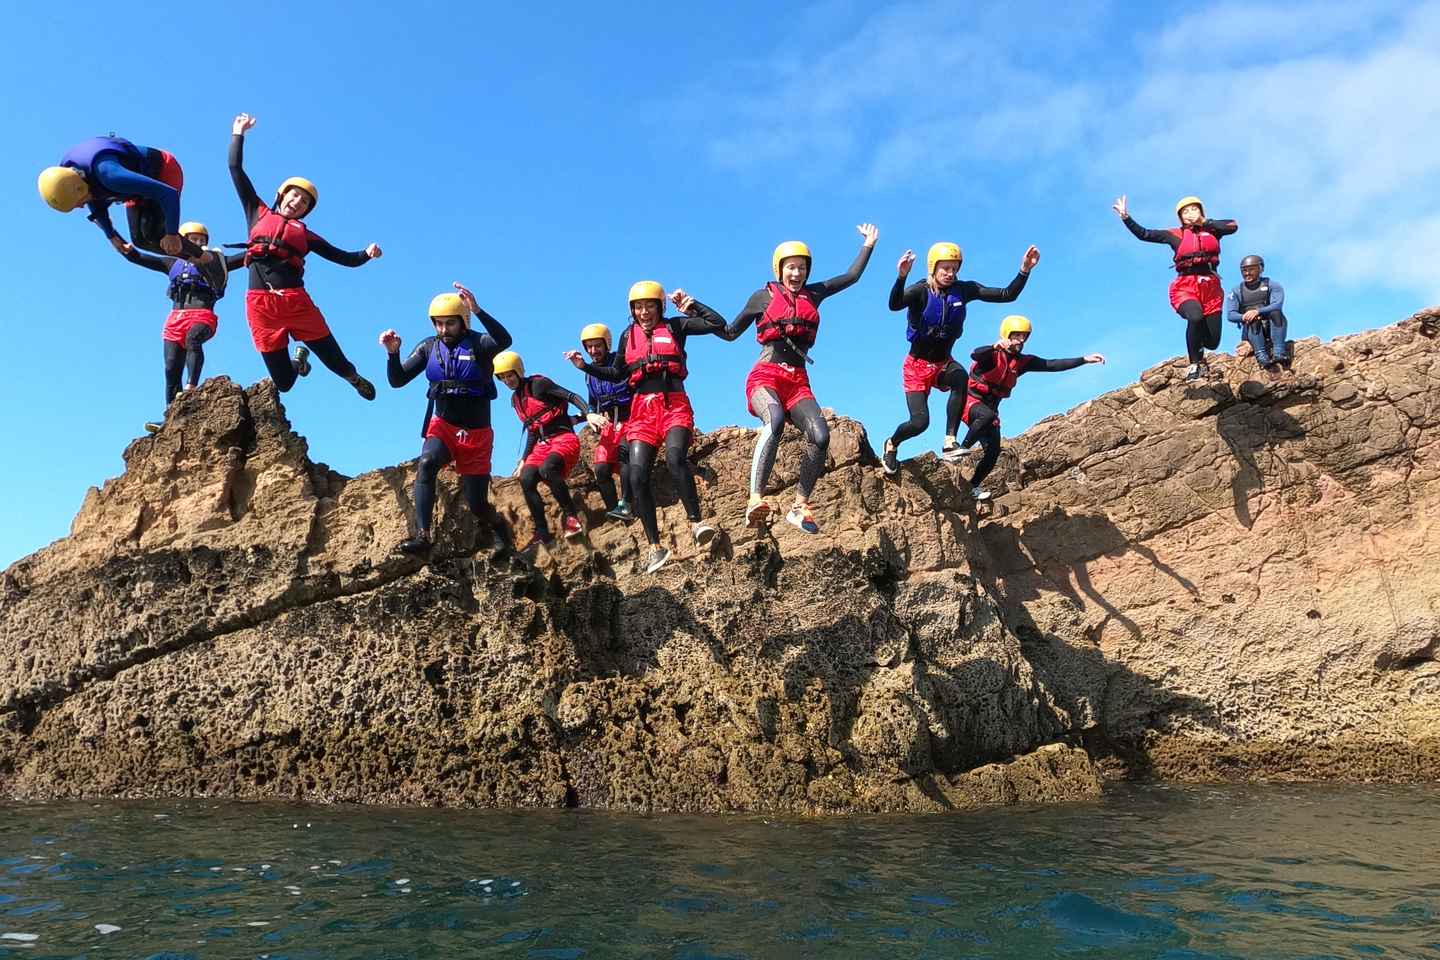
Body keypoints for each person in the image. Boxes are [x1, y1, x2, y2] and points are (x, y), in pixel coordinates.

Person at [719, 224, 878, 532]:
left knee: (820, 436)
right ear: (780, 270)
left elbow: (851, 277)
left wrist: (868, 245)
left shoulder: (814, 294)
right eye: (791, 267)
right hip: (765, 376)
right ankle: (755, 499)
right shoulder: (761, 297)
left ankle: (800, 505)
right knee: (774, 420)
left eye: (802, 268)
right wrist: (694, 308)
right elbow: (729, 332)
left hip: (798, 382)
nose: (796, 273)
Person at [568, 283, 724, 574]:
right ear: (632, 311)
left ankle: (696, 523)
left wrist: (691, 305)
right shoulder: (629, 336)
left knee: (676, 458)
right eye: (638, 307)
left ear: (660, 306)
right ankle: (655, 547)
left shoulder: (676, 326)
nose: (644, 312)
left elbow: (718, 324)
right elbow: (616, 372)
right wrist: (583, 368)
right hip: (642, 410)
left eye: (649, 306)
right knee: (637, 475)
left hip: (673, 403)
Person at [229, 113, 380, 399]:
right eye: (294, 196)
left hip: (296, 302)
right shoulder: (257, 212)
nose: (297, 202)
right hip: (260, 306)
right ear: (282, 195)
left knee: (335, 360)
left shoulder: (306, 235)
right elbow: (235, 169)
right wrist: (238, 134)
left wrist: (367, 254)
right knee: (284, 383)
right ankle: (298, 362)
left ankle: (353, 377)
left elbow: (344, 258)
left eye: (304, 202)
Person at [380, 283, 515, 558]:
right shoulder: (428, 347)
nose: (443, 330)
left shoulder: (480, 343)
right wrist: (392, 353)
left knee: (477, 503)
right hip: (443, 426)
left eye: (449, 324)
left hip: (476, 435)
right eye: (438, 324)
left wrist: (477, 309)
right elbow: (397, 380)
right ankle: (423, 535)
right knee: (427, 463)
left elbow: (505, 340)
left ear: (463, 322)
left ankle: (500, 527)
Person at [881, 241, 1039, 474]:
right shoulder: (920, 291)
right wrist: (901, 277)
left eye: (954, 268)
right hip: (916, 367)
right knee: (919, 423)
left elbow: (1007, 294)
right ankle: (892, 444)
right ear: (933, 267)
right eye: (945, 268)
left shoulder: (964, 290)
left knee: (960, 376)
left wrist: (1024, 269)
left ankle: (949, 442)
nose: (950, 273)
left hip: (943, 363)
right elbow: (894, 304)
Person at [956, 315, 1105, 500]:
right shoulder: (991, 355)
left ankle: (973, 487)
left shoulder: (1022, 362)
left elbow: (1052, 364)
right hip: (971, 404)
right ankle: (959, 450)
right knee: (985, 417)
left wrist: (1084, 359)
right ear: (1006, 335)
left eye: (1024, 337)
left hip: (991, 409)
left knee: (993, 452)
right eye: (1016, 336)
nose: (1020, 340)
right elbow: (975, 354)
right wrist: (995, 346)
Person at [115, 220, 246, 427]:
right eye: (193, 239)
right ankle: (170, 417)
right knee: (170, 368)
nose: (198, 243)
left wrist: (262, 249)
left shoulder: (215, 260)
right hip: (175, 318)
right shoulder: (171, 264)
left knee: (193, 340)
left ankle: (191, 388)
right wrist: (117, 239)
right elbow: (137, 257)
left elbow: (245, 258)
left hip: (202, 315)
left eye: (201, 240)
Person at [1113, 195, 1237, 380]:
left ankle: (1200, 346)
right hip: (1185, 286)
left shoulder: (1213, 229)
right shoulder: (1174, 234)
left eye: (1194, 209)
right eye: (1185, 211)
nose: (1190, 213)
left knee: (1212, 342)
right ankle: (1195, 364)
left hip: (1211, 288)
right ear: (1180, 217)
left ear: (1201, 212)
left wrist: (1204, 222)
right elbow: (1144, 234)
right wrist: (1126, 217)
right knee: (1195, 316)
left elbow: (1233, 225)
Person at [494, 351, 595, 556]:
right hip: (542, 445)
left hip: (564, 439)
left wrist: (589, 412)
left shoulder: (539, 385)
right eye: (502, 378)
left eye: (509, 375)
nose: (507, 380)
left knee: (547, 468)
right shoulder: (515, 400)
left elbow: (572, 396)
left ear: (518, 371)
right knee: (527, 477)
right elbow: (532, 431)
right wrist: (523, 459)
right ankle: (542, 532)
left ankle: (571, 518)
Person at [38, 135, 198, 257]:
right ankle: (194, 261)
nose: (80, 207)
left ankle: (207, 259)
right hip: (133, 188)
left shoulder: (110, 176)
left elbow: (168, 194)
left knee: (156, 235)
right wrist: (112, 236)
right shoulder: (72, 176)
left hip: (164, 172)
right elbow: (95, 203)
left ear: (79, 188)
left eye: (77, 203)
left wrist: (171, 234)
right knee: (140, 241)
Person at [571, 323, 636, 523]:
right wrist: (589, 414)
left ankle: (627, 504)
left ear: (606, 343)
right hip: (610, 424)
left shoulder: (619, 362)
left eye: (597, 345)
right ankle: (614, 512)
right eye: (589, 347)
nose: (593, 351)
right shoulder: (589, 375)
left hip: (632, 418)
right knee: (601, 469)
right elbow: (592, 403)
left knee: (625, 454)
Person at [1226, 255, 1290, 379]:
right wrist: (1245, 316)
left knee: (1276, 313)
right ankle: (1261, 356)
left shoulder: (1273, 285)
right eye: (1244, 270)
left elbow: (1277, 304)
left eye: (1251, 269)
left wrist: (1258, 311)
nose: (1247, 273)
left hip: (1271, 326)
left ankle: (1279, 352)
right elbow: (1231, 315)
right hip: (1252, 329)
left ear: (1260, 269)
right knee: (1252, 319)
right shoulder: (1236, 291)